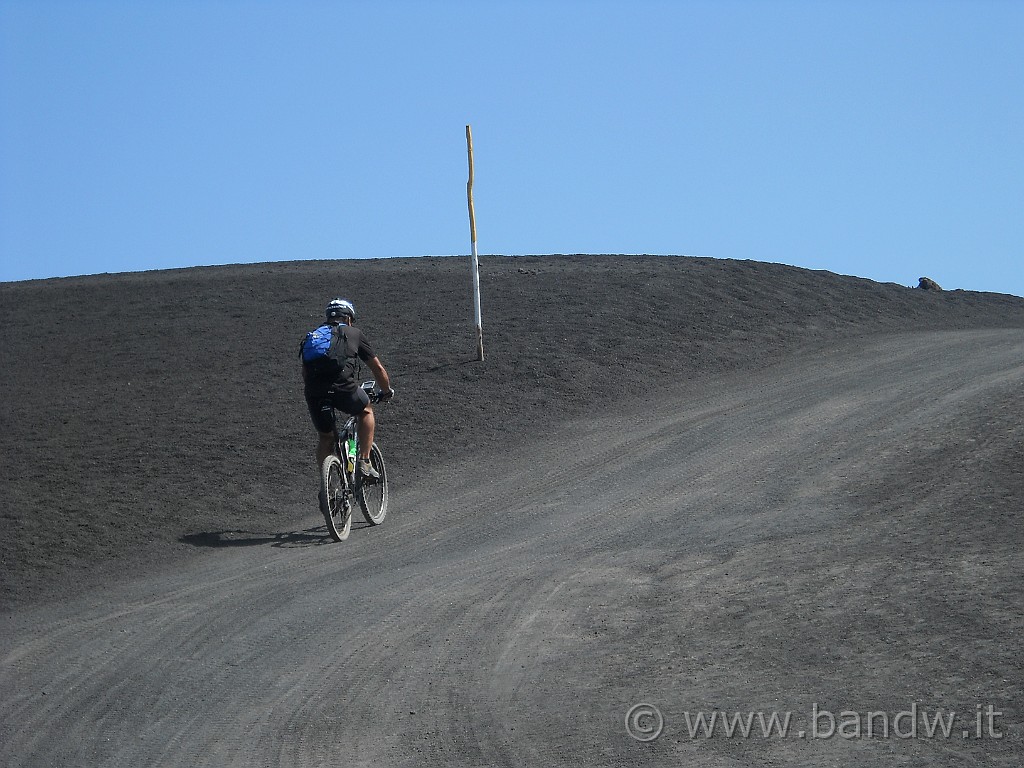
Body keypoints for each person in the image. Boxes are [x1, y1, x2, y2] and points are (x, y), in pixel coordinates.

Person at [300, 298, 394, 480]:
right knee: (366, 411)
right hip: (343, 387)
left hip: (314, 392)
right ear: (349, 318)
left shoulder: (313, 336)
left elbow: (305, 373)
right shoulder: (354, 333)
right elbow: (378, 369)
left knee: (326, 438)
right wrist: (386, 391)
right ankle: (365, 462)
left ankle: (325, 485)